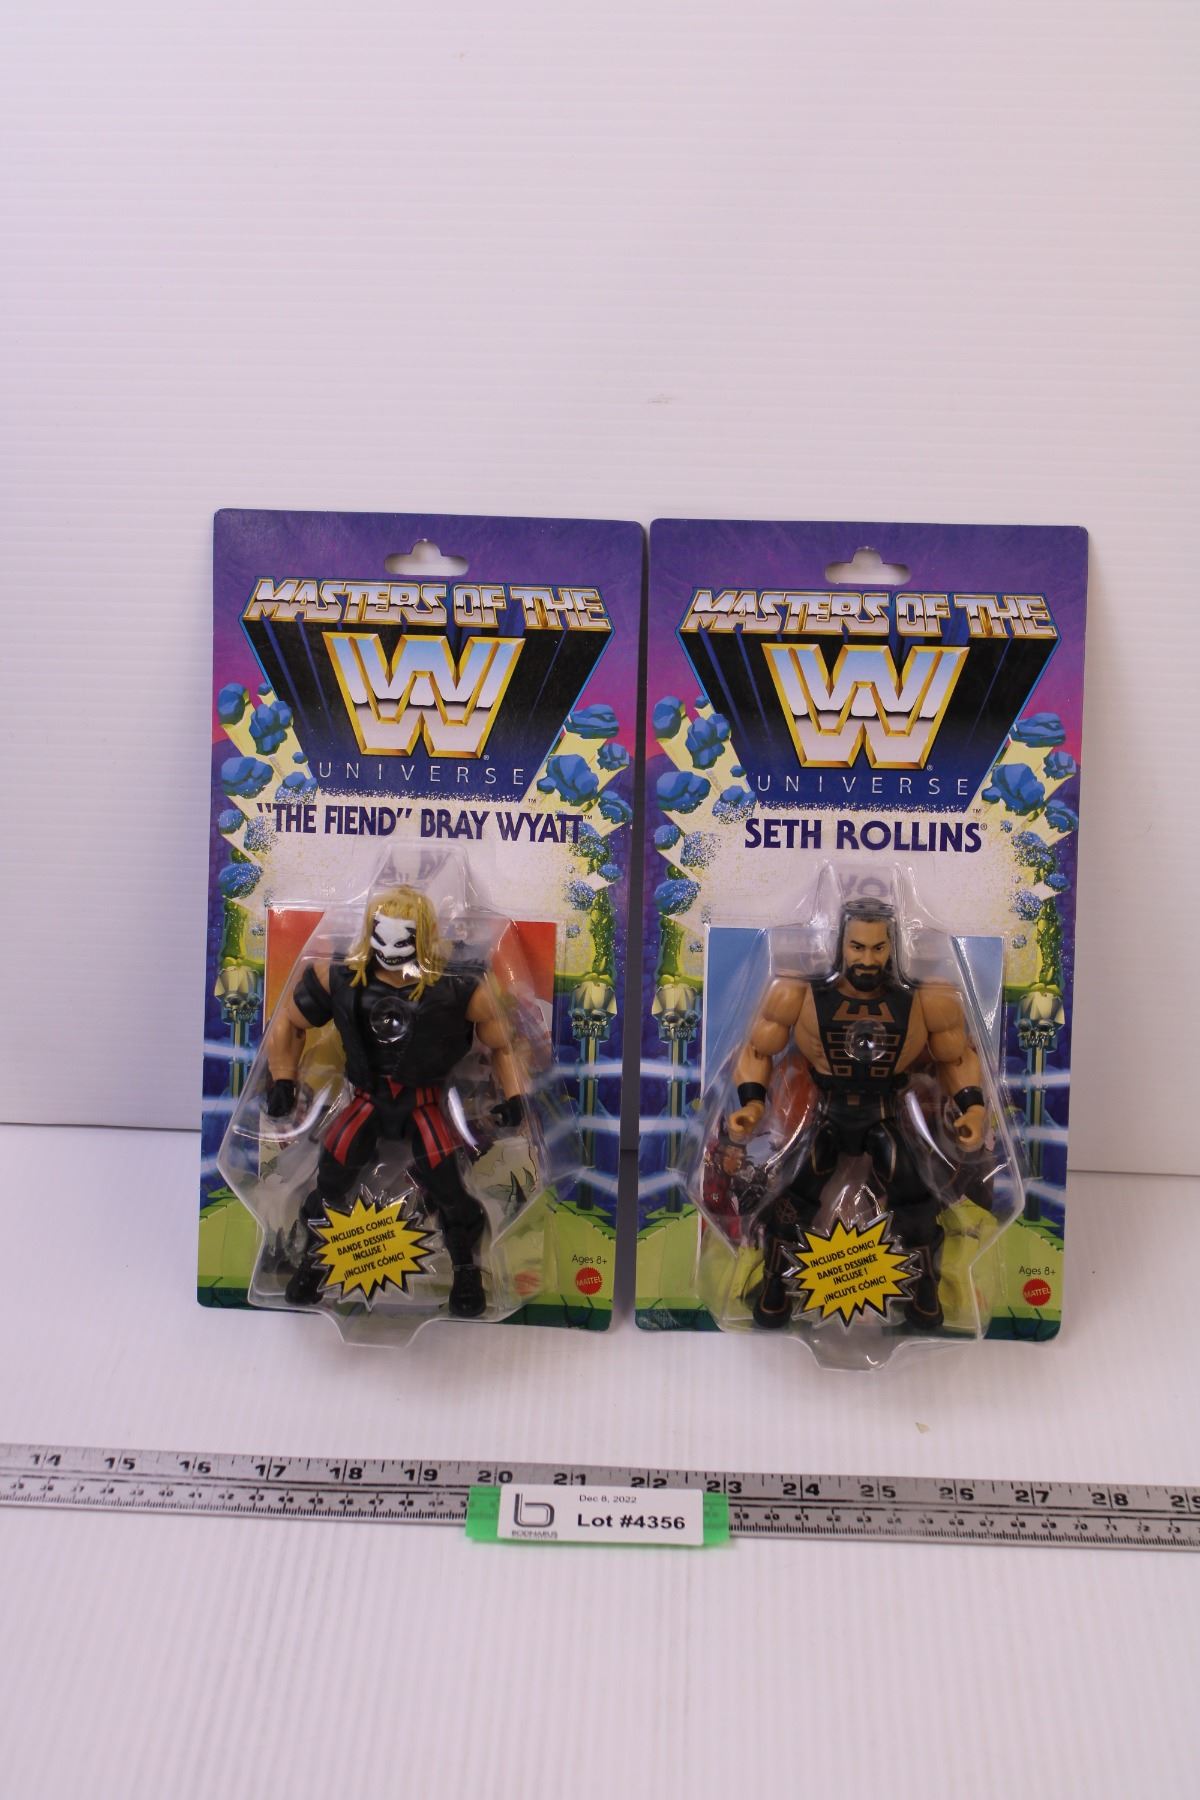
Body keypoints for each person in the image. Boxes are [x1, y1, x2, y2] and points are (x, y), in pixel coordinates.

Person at [264, 885, 525, 1317]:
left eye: (401, 939)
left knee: (448, 1188)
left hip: (424, 1104)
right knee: (331, 1178)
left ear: (422, 936)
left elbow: (503, 1043)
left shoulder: (458, 986)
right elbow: (289, 1022)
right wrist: (283, 1080)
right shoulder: (340, 977)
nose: (389, 949)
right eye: (380, 936)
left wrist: (515, 1096)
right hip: (367, 1099)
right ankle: (313, 1262)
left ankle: (466, 1269)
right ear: (368, 931)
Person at [726, 899, 985, 1331]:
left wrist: (973, 1109)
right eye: (858, 947)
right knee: (789, 1203)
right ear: (839, 946)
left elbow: (956, 1059)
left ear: (894, 947)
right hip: (826, 1114)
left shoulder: (928, 999)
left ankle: (925, 1297)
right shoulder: (797, 993)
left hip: (884, 1114)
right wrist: (752, 1104)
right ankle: (774, 1291)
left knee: (917, 1205)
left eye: (878, 948)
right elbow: (757, 1051)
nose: (868, 959)